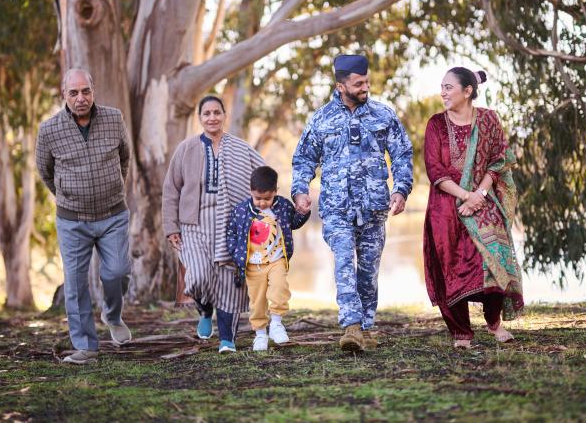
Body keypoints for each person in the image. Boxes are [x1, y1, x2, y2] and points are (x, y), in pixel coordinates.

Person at [291, 54, 413, 352]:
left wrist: (401, 189)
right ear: (340, 86)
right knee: (344, 263)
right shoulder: (321, 119)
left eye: (367, 82)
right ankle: (352, 326)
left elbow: (402, 153)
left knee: (368, 274)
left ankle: (366, 327)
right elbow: (304, 158)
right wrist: (300, 190)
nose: (365, 87)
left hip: (374, 207)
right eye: (359, 83)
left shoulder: (383, 115)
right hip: (336, 208)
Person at [35, 68, 133, 365]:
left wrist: (113, 187)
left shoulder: (114, 118)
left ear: (94, 90)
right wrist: (68, 195)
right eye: (74, 92)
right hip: (72, 221)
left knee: (117, 272)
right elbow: (45, 171)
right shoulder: (49, 130)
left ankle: (112, 315)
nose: (81, 98)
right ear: (64, 95)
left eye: (86, 91)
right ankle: (86, 347)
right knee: (75, 284)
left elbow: (125, 157)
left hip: (113, 215)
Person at [422, 67, 524, 348]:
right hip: (446, 205)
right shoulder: (436, 124)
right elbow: (434, 169)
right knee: (450, 265)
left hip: (483, 200)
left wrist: (479, 194)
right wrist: (465, 196)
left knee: (494, 257)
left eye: (448, 87)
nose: (442, 93)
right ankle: (461, 332)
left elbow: (498, 159)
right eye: (441, 87)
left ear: (467, 91)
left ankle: (494, 322)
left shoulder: (489, 119)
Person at [162, 95, 265, 353]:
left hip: (231, 224)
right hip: (194, 223)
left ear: (224, 115)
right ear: (199, 118)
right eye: (206, 113)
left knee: (230, 280)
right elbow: (171, 189)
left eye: (217, 112)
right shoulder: (186, 149)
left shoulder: (241, 148)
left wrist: (267, 210)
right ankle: (205, 309)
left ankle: (227, 339)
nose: (212, 118)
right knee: (197, 276)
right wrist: (171, 227)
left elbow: (264, 174)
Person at [226, 166, 310, 351]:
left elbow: (294, 223)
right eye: (258, 198)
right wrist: (236, 252)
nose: (262, 203)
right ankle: (260, 334)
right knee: (257, 302)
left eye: (267, 198)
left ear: (275, 192)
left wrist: (303, 213)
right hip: (252, 265)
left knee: (280, 289)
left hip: (276, 260)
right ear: (250, 191)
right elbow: (231, 232)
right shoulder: (241, 210)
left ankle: (276, 324)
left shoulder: (283, 206)